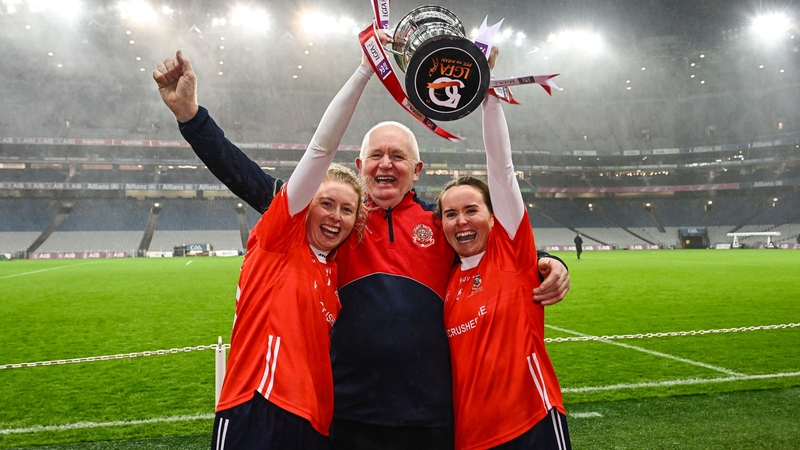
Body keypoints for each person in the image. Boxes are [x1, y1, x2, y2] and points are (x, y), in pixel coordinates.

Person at [156, 37, 571, 449]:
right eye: (376, 155)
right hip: (347, 418)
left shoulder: (441, 223)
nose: (385, 163)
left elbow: (497, 248)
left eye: (397, 156)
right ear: (360, 165)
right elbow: (243, 174)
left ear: (417, 169)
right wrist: (193, 119)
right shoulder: (327, 221)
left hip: (434, 420)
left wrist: (547, 261)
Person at [154, 50, 369, 448]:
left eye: (346, 209)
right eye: (325, 203)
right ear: (304, 207)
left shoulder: (334, 268)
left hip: (316, 423)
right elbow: (321, 149)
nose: (335, 216)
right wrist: (364, 71)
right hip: (258, 405)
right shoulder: (280, 238)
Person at [436, 52, 570, 449]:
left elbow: (501, 169)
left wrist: (487, 94)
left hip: (531, 424)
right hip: (472, 439)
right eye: (450, 214)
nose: (460, 221)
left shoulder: (510, 254)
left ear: (495, 218)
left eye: (471, 210)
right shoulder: (448, 279)